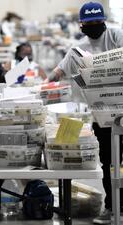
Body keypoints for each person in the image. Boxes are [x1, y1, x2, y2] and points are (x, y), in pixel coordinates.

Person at [49, 2, 123, 224]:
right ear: (81, 25)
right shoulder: (77, 48)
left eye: (97, 22)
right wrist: (40, 88)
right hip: (102, 115)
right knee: (110, 162)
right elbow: (59, 71)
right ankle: (112, 208)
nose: (94, 26)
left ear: (104, 21)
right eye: (89, 23)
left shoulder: (117, 36)